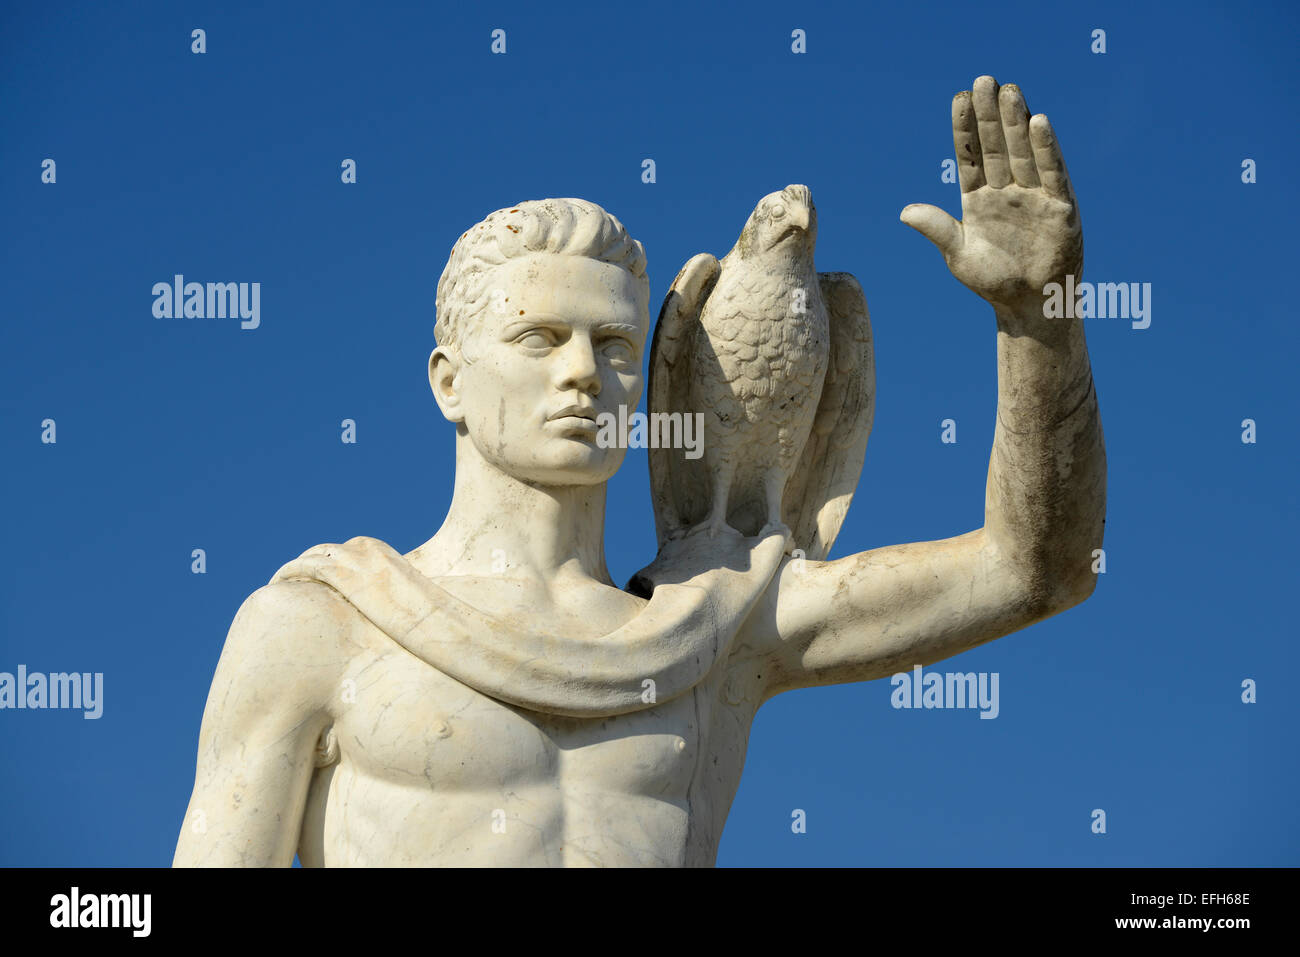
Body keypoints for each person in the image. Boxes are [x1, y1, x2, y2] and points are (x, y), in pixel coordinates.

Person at [174, 76, 1105, 867]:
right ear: (449, 383)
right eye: (540, 338)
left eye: (615, 344)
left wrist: (1041, 323)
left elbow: (1036, 568)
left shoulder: (716, 624)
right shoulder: (323, 624)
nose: (584, 371)